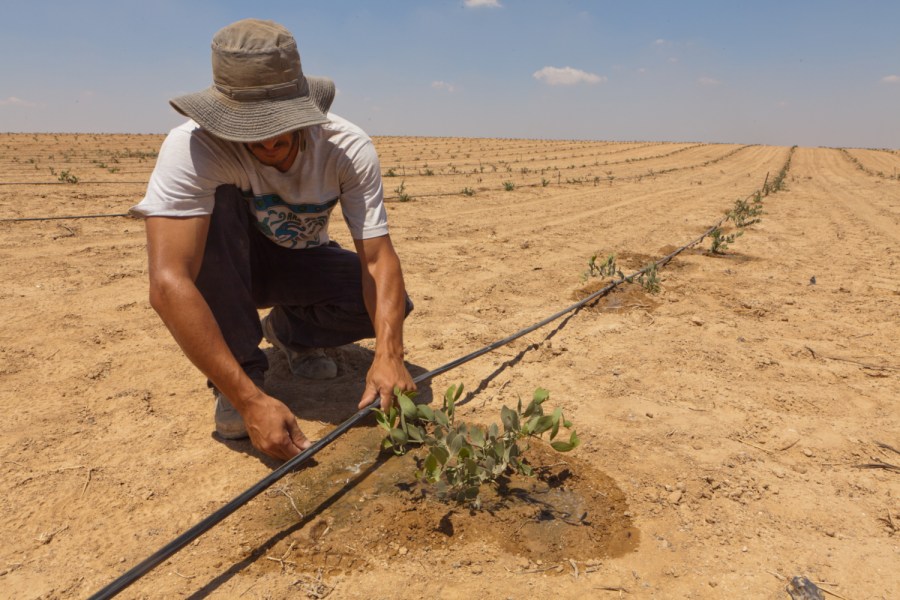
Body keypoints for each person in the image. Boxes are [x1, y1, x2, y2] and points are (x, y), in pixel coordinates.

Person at [131, 19, 415, 461]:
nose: (270, 140)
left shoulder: (346, 147)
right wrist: (248, 401)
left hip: (297, 258)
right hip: (224, 266)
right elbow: (170, 282)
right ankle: (241, 375)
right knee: (218, 207)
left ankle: (290, 334)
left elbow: (378, 261)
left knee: (385, 308)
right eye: (250, 128)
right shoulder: (193, 148)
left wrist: (390, 353)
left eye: (282, 123)